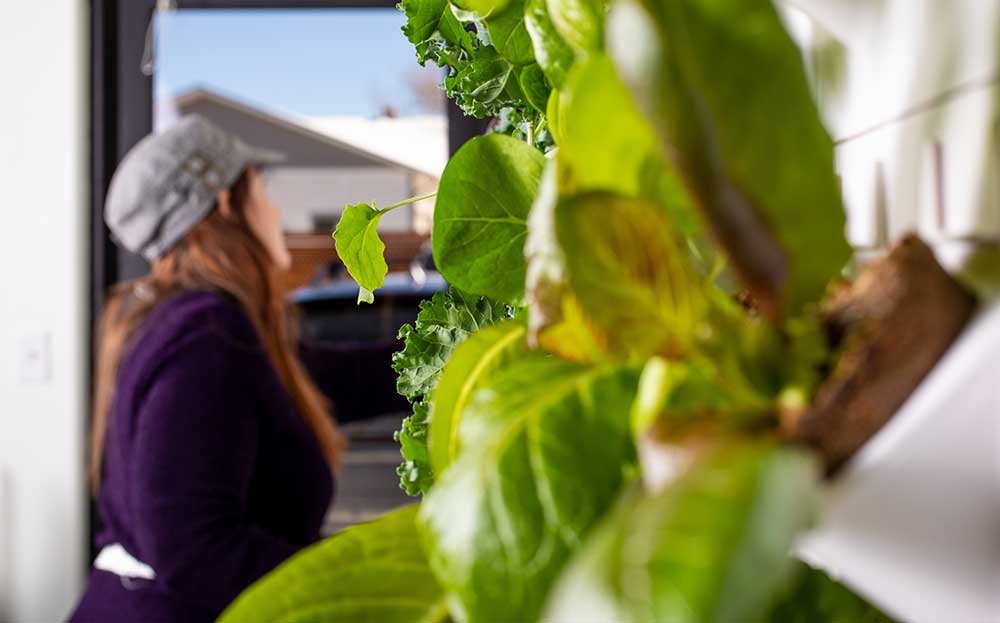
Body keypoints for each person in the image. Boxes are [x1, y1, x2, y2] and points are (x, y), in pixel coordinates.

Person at [70, 115, 405, 622]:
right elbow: (195, 547)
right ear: (226, 203)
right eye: (262, 192)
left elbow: (346, 380)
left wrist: (457, 343)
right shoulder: (206, 335)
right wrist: (361, 583)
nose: (275, 213)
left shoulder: (186, 321)